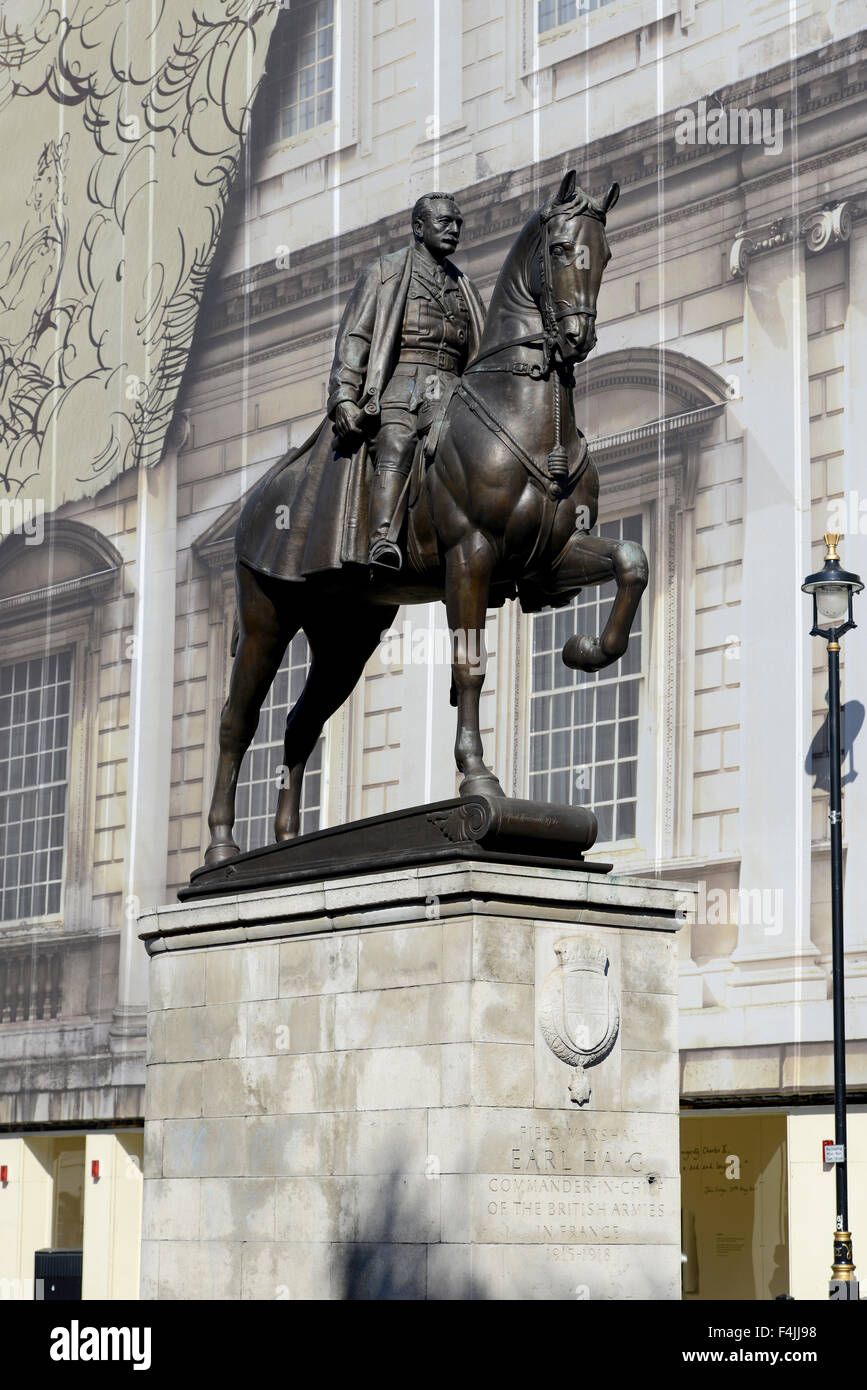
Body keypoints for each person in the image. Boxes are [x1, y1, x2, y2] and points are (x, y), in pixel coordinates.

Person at [327, 192, 485, 571]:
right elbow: (356, 338)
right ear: (418, 227)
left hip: (454, 388)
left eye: (459, 223)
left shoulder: (464, 286)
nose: (454, 229)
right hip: (404, 384)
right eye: (445, 222)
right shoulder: (385, 272)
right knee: (397, 439)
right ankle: (383, 539)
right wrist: (344, 397)